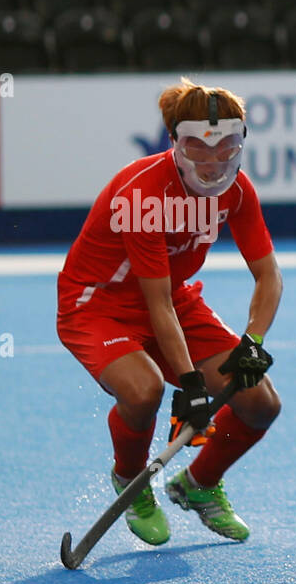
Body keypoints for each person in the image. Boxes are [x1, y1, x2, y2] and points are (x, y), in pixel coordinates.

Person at [57, 80, 281, 545]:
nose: (214, 164)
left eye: (228, 149)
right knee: (144, 391)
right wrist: (193, 385)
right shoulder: (143, 196)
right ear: (176, 143)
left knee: (259, 403)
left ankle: (197, 485)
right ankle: (131, 480)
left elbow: (268, 277)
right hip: (99, 305)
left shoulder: (237, 191)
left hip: (173, 299)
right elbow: (154, 304)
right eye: (199, 149)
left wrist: (252, 342)